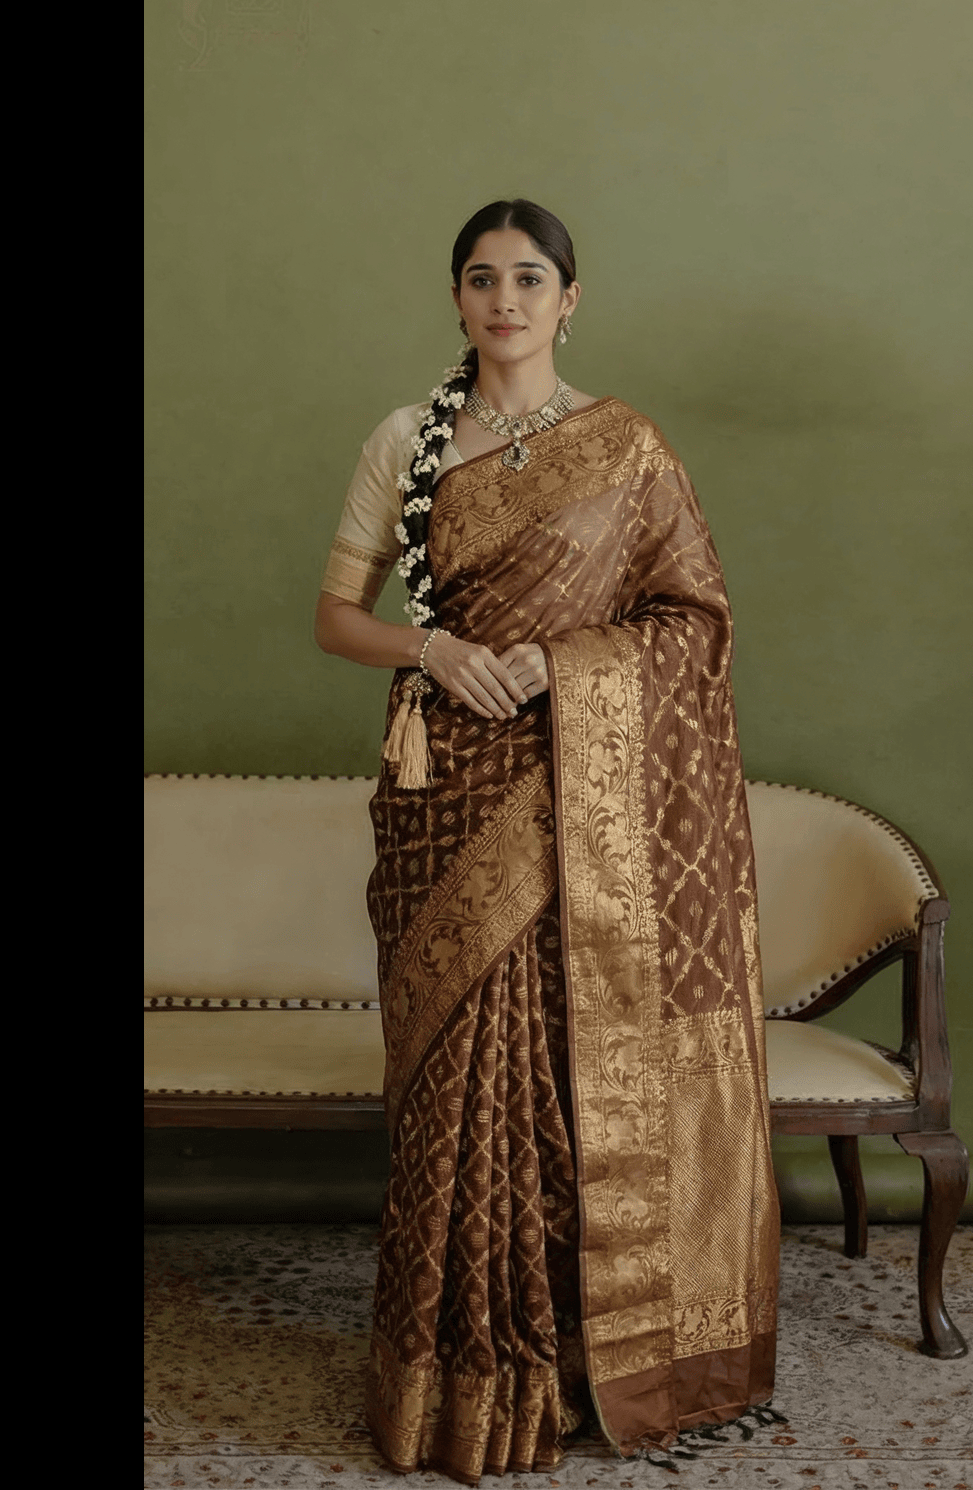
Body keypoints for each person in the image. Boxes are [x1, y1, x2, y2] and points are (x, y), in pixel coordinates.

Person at [314, 200, 780, 1483]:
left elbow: (694, 618)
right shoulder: (406, 440)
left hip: (585, 793)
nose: (504, 298)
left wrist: (564, 664)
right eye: (481, 277)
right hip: (441, 794)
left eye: (529, 277)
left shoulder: (626, 448)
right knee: (458, 1075)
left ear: (570, 298)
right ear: (455, 298)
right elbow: (335, 618)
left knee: (573, 1068)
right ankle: (459, 1366)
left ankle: (580, 1356)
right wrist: (437, 646)